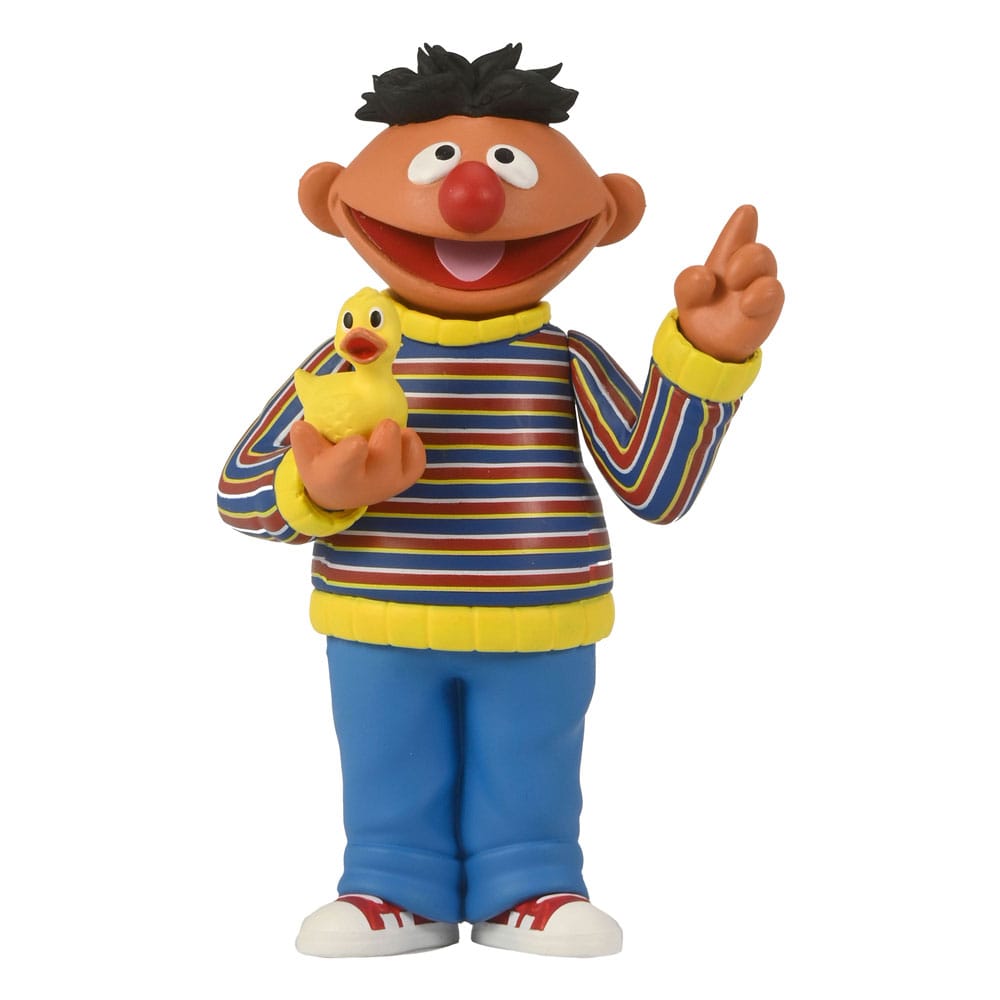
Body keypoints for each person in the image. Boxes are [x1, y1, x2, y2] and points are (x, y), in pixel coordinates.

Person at [218, 42, 783, 958]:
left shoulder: (563, 360)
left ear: (610, 213)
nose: (470, 198)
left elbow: (656, 486)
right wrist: (317, 488)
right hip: (376, 618)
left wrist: (705, 359)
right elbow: (241, 490)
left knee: (531, 760)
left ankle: (532, 880)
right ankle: (389, 881)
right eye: (441, 165)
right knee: (386, 756)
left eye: (507, 170)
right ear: (332, 201)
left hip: (540, 621)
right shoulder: (349, 358)